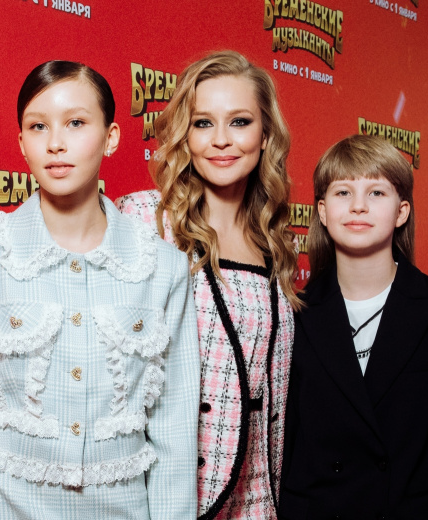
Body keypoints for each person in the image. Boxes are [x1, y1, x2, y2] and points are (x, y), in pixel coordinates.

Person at [0, 60, 200, 519]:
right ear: (22, 144)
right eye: (38, 126)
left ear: (111, 137)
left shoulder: (164, 269)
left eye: (76, 123)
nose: (56, 142)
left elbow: (174, 430)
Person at [117, 50, 300, 519]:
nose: (221, 140)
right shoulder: (145, 221)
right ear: (185, 134)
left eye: (239, 122)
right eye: (203, 123)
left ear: (265, 135)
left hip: (262, 496)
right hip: (173, 495)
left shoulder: (276, 240)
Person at [279, 135, 428, 519]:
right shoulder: (293, 313)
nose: (358, 205)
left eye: (376, 192)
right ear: (323, 212)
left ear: (401, 211)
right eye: (343, 192)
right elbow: (285, 450)